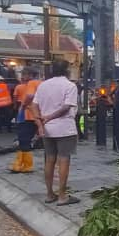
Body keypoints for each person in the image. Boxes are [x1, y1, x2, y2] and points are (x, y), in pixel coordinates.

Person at [32, 60, 80, 205]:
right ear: (66, 71)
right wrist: (50, 117)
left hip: (47, 129)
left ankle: (49, 194)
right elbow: (66, 107)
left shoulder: (43, 85)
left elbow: (34, 105)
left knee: (50, 160)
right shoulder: (70, 86)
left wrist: (40, 124)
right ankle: (62, 196)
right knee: (64, 160)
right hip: (65, 128)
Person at [10, 70, 40, 173]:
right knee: (26, 140)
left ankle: (23, 165)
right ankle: (22, 164)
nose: (22, 76)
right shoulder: (41, 84)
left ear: (31, 75)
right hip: (36, 116)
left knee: (23, 140)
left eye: (24, 74)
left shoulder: (25, 85)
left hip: (26, 115)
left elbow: (28, 97)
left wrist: (23, 106)